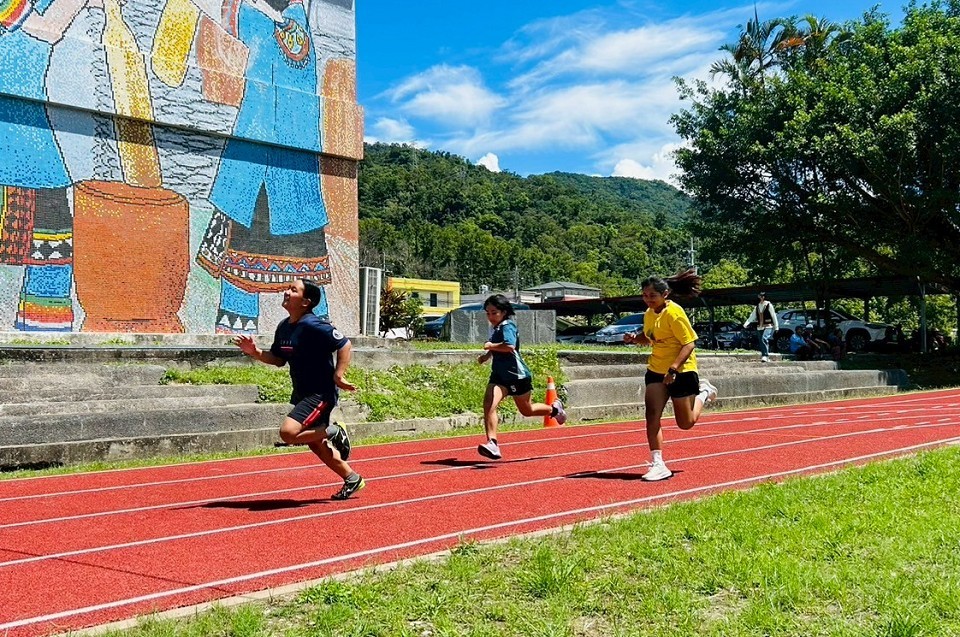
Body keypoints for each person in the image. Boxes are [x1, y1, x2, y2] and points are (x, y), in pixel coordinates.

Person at [234, 278, 364, 500]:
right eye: (288, 288)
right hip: (302, 392)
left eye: (293, 290)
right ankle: (352, 479)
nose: (286, 292)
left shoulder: (313, 325)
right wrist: (255, 352)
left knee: (288, 433)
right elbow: (277, 359)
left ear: (306, 302)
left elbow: (344, 344)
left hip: (320, 393)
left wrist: (339, 375)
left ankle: (335, 431)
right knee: (315, 444)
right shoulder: (284, 327)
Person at [623, 270, 718, 481]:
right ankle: (658, 463)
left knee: (685, 423)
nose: (648, 299)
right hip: (656, 370)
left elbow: (689, 343)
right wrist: (634, 339)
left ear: (665, 294)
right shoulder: (648, 314)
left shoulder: (675, 313)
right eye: (645, 295)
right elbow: (651, 338)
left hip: (681, 372)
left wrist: (673, 369)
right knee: (651, 415)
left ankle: (704, 392)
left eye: (652, 296)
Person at [476, 294, 566, 460]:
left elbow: (509, 346)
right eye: (488, 313)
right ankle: (492, 443)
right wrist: (487, 356)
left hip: (517, 375)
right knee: (489, 404)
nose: (490, 316)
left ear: (503, 312)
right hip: (499, 376)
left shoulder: (507, 326)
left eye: (494, 312)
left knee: (527, 410)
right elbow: (498, 346)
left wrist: (490, 346)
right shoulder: (495, 328)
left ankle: (554, 409)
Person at [743, 292, 779, 362]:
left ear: (764, 297)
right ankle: (764, 355)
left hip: (768, 326)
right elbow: (752, 316)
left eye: (762, 296)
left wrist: (776, 327)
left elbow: (773, 316)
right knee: (761, 341)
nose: (761, 297)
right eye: (760, 296)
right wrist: (746, 323)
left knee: (764, 338)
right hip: (759, 326)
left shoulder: (769, 305)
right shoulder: (757, 306)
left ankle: (765, 355)